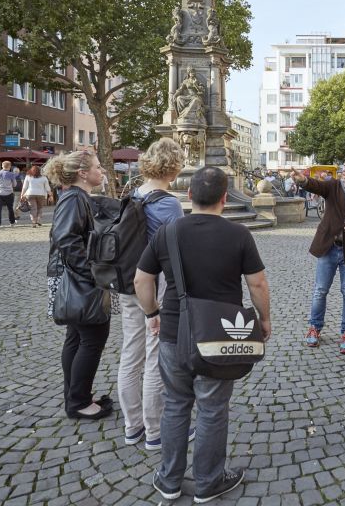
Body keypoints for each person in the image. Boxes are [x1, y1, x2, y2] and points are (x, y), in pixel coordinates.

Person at [134, 167, 271, 503]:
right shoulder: (238, 235)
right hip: (220, 335)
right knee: (212, 408)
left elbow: (141, 280)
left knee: (176, 405)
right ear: (225, 198)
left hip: (172, 332)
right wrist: (264, 319)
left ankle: (169, 480)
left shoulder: (167, 232)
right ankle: (209, 482)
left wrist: (151, 313)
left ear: (190, 195)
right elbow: (257, 283)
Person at [118, 139, 188, 452]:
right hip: (155, 283)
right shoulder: (169, 203)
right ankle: (155, 431)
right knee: (155, 355)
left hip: (127, 281)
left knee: (130, 353)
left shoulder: (132, 194)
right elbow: (180, 247)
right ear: (174, 167)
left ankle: (132, 426)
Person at [43, 151, 113, 420]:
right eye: (97, 167)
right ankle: (78, 402)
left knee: (77, 337)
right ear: (83, 173)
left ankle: (76, 396)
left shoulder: (76, 197)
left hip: (71, 276)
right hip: (77, 277)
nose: (102, 170)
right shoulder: (74, 198)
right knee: (93, 338)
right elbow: (66, 238)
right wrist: (91, 273)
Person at [292, 156, 345, 354]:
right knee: (320, 290)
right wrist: (303, 181)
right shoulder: (334, 186)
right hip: (329, 247)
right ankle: (314, 328)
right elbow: (317, 186)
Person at [0, 161, 20, 229]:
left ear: (2, 166)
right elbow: (14, 184)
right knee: (10, 208)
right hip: (8, 193)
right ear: (9, 166)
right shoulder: (11, 174)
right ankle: (12, 223)